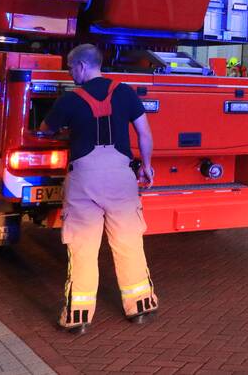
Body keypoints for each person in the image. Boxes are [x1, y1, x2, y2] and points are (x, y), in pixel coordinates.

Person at [40, 44, 158, 334]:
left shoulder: (69, 100)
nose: (70, 73)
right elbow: (144, 133)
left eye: (70, 68)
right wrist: (147, 165)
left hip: (85, 180)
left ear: (81, 66)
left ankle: (78, 317)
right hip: (121, 178)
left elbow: (44, 130)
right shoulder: (126, 92)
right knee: (129, 242)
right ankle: (140, 306)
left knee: (83, 247)